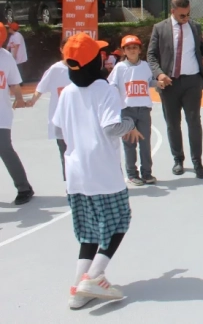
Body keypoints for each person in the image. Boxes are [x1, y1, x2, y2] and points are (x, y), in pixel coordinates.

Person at [52, 32, 142, 308]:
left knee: (89, 231)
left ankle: (78, 288)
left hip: (76, 171)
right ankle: (93, 276)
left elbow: (58, 129)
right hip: (102, 169)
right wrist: (129, 124)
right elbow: (111, 127)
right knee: (119, 222)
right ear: (94, 62)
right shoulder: (105, 89)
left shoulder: (67, 92)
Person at [147, 0, 203, 179]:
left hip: (192, 81)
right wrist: (159, 74)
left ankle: (197, 162)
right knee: (172, 123)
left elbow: (200, 46)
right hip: (169, 83)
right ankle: (178, 160)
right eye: (182, 15)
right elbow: (151, 56)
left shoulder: (194, 26)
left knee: (194, 121)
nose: (186, 18)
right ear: (173, 11)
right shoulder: (159, 28)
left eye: (188, 14)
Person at [107, 35, 157, 186]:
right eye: (128, 48)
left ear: (140, 50)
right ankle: (132, 173)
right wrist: (117, 105)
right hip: (127, 109)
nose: (132, 50)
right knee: (129, 143)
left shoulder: (145, 66)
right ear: (123, 51)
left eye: (135, 47)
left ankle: (147, 173)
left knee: (145, 142)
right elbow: (112, 86)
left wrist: (159, 83)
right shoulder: (120, 68)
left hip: (144, 109)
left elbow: (149, 82)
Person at [27, 36, 72, 180]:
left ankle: (82, 181)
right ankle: (70, 183)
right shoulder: (55, 69)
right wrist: (32, 101)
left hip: (78, 119)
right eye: (66, 47)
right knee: (64, 151)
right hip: (60, 120)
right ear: (61, 49)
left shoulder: (82, 68)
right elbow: (41, 87)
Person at [0, 22, 33, 205]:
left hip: (1, 114)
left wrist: (19, 98)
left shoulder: (5, 58)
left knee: (4, 149)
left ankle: (24, 187)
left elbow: (14, 82)